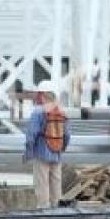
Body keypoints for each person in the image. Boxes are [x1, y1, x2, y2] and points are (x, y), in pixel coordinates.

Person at [24, 80, 70, 209]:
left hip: (41, 152)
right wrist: (62, 148)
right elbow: (67, 135)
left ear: (42, 95)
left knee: (42, 182)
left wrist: (29, 151)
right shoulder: (61, 110)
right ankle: (56, 208)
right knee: (56, 181)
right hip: (57, 152)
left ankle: (43, 208)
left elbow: (31, 134)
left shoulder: (38, 111)